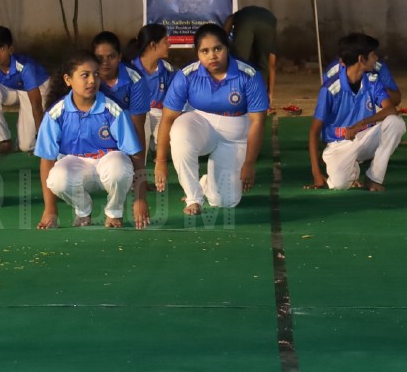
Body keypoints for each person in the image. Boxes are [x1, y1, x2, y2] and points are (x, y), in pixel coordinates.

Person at [153, 22, 269, 215]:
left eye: (217, 49)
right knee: (180, 131)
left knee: (226, 201)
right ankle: (193, 198)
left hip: (235, 134)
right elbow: (167, 118)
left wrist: (249, 163)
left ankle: (207, 183)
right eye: (204, 51)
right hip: (200, 125)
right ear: (197, 53)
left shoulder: (249, 75)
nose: (212, 56)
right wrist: (160, 162)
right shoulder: (187, 75)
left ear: (227, 47)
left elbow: (257, 121)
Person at [35, 49, 149, 230]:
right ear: (68, 80)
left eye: (96, 74)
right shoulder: (56, 113)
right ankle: (82, 210)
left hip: (109, 165)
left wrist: (140, 199)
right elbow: (47, 160)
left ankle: (114, 212)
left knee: (119, 168)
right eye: (85, 75)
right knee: (56, 178)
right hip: (77, 168)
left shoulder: (113, 109)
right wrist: (50, 209)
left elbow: (135, 155)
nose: (92, 80)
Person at [307, 33, 406, 191]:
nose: (376, 58)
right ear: (361, 59)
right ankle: (349, 168)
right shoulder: (330, 89)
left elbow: (391, 109)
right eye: (373, 54)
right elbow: (314, 131)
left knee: (396, 123)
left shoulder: (373, 80)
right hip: (338, 145)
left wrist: (361, 124)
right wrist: (316, 174)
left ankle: (374, 178)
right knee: (340, 184)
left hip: (363, 138)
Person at [0, 26, 48, 156]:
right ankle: (5, 142)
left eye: (1, 48)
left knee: (26, 146)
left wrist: (42, 142)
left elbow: (36, 104)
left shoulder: (25, 67)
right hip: (14, 90)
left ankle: (43, 141)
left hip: (37, 89)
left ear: (10, 49)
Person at [124, 24, 177, 154]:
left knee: (174, 140)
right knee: (143, 123)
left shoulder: (168, 71)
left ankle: (155, 147)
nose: (169, 45)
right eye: (166, 41)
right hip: (135, 115)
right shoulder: (128, 69)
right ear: (153, 45)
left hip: (160, 114)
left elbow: (176, 100)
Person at [228, 5, 280, 97]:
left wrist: (222, 39)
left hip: (247, 19)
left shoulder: (242, 16)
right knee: (263, 63)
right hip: (267, 22)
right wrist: (270, 93)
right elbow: (271, 64)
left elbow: (230, 18)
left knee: (239, 61)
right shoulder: (271, 33)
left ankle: (235, 93)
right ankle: (260, 97)